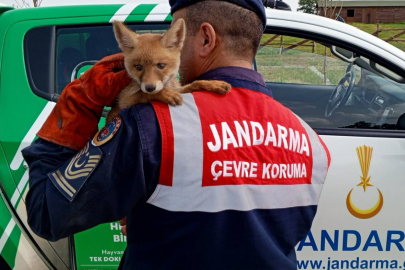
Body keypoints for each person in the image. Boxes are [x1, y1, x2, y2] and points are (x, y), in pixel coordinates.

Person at [22, 0, 331, 269]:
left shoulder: (151, 125)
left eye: (177, 38)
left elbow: (46, 213)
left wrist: (75, 107)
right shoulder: (311, 141)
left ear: (206, 39)